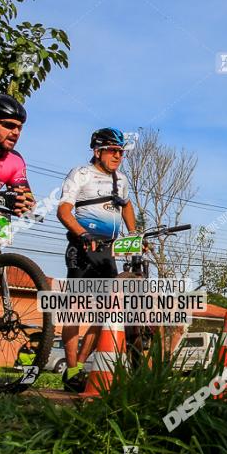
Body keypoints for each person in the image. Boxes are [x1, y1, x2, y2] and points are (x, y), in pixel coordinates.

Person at [57, 128, 137, 391]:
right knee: (75, 311)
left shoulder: (121, 180)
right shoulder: (81, 174)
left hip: (107, 252)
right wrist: (81, 233)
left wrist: (134, 235)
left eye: (121, 152)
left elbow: (126, 205)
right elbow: (64, 210)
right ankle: (71, 370)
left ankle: (79, 366)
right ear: (97, 151)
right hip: (82, 249)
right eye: (113, 150)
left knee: (105, 312)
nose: (118, 156)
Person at [0, 94, 36, 218]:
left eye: (19, 128)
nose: (16, 132)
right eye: (9, 125)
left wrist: (23, 203)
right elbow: (2, 197)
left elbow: (28, 200)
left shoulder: (15, 160)